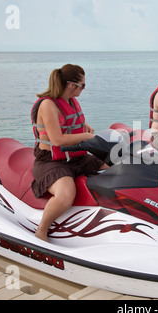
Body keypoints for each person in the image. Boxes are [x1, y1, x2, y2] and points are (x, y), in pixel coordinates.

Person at [31, 64, 109, 242]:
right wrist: (87, 136)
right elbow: (57, 140)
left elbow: (71, 123)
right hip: (52, 162)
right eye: (83, 85)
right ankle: (41, 230)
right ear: (71, 85)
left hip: (76, 157)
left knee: (114, 164)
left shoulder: (70, 101)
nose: (84, 88)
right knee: (66, 194)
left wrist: (85, 126)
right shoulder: (48, 105)